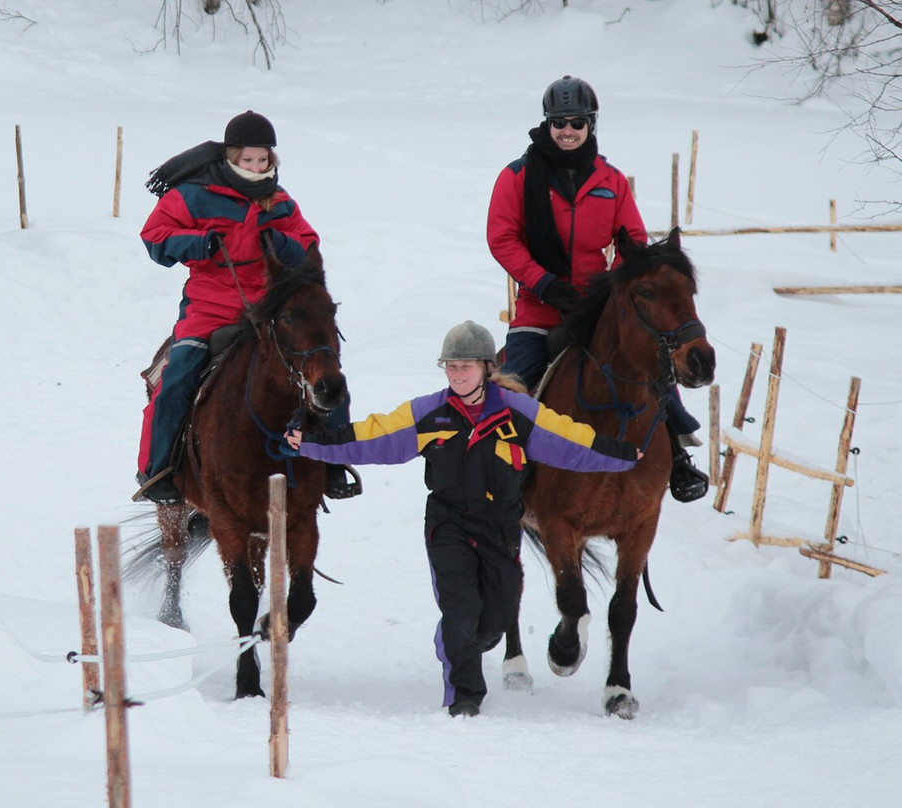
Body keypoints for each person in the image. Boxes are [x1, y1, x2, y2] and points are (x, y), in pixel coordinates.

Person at [284, 321, 640, 717]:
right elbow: (374, 436)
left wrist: (622, 454)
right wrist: (313, 444)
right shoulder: (429, 413)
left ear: (486, 367)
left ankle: (460, 641)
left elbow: (570, 440)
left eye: (465, 366)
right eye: (450, 367)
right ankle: (464, 697)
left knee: (495, 620)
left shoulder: (518, 413)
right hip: (448, 524)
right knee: (460, 611)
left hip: (500, 526)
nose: (457, 375)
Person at [486, 74, 709, 502]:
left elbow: (635, 243)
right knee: (516, 384)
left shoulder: (611, 180)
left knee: (652, 367)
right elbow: (502, 239)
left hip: (599, 308)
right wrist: (543, 282)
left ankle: (678, 456)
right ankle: (505, 474)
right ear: (547, 124)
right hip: (538, 308)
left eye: (576, 122)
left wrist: (613, 287)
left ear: (590, 124)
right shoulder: (516, 177)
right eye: (559, 123)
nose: (567, 131)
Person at [135, 110, 360, 504]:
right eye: (248, 160)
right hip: (210, 306)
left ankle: (334, 462)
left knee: (325, 369)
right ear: (231, 157)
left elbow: (308, 245)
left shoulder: (280, 201)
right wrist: (198, 243)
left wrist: (281, 243)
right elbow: (155, 236)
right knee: (179, 375)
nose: (256, 167)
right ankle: (160, 472)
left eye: (263, 160)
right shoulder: (193, 194)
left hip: (269, 306)